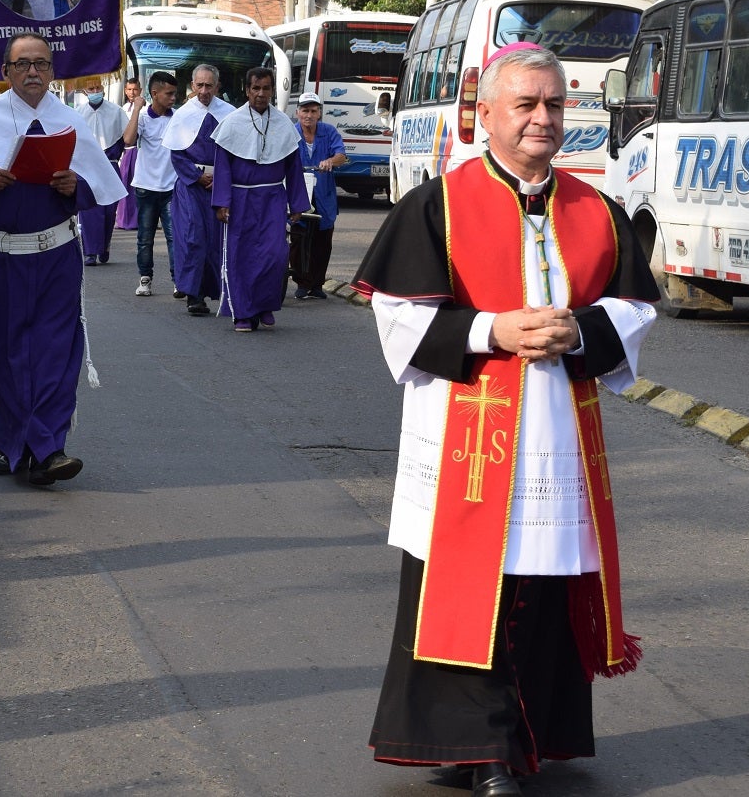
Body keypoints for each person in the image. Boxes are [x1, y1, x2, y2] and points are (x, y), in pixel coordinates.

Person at [353, 44, 659, 797]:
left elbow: (635, 306)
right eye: (525, 104)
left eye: (554, 104)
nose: (542, 119)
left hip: (556, 436)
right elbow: (398, 317)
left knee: (542, 590)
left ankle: (532, 737)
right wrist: (496, 331)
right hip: (468, 437)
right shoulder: (437, 205)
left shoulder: (595, 210)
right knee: (471, 589)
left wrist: (580, 330)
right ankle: (482, 751)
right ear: (483, 113)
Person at [0, 31, 125, 485]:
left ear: (53, 71)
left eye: (41, 63)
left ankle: (49, 447)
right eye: (23, 64)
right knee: (4, 355)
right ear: (7, 72)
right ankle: (14, 445)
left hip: (56, 256)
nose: (33, 72)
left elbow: (102, 186)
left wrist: (74, 186)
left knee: (58, 352)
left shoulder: (70, 121)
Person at [210, 66, 308, 332]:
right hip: (240, 198)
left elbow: (293, 167)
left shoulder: (284, 124)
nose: (261, 94)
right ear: (247, 90)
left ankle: (264, 306)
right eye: (256, 88)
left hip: (273, 197)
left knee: (274, 255)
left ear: (272, 91)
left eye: (266, 88)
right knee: (241, 256)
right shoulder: (231, 123)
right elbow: (222, 168)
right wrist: (222, 202)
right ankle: (243, 313)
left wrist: (297, 203)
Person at [165, 64, 233, 316]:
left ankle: (213, 290)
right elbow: (177, 154)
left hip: (220, 186)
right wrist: (197, 177)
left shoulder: (229, 113)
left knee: (216, 242)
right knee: (193, 238)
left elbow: (235, 152)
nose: (204, 90)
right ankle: (193, 294)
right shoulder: (183, 114)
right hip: (191, 187)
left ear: (217, 86)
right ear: (193, 86)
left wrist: (223, 178)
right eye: (200, 85)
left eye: (209, 85)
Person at [122, 70, 178, 297]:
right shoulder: (143, 117)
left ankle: (178, 280)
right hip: (146, 187)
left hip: (172, 188)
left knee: (175, 237)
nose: (173, 98)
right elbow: (128, 140)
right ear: (155, 94)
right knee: (145, 238)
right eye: (169, 93)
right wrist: (136, 108)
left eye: (175, 94)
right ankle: (145, 279)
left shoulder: (177, 118)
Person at [290, 92, 347, 300]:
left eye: (313, 111)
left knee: (323, 241)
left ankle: (317, 284)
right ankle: (301, 282)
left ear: (319, 113)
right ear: (297, 113)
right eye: (305, 110)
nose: (309, 115)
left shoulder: (329, 132)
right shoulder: (290, 132)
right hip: (299, 193)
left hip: (324, 194)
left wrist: (331, 161)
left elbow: (341, 155)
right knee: (299, 239)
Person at [77, 81, 126, 266]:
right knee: (89, 210)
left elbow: (126, 136)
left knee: (109, 211)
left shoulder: (116, 111)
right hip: (87, 166)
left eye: (98, 88)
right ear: (84, 90)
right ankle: (89, 251)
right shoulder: (77, 113)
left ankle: (104, 245)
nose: (95, 92)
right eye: (91, 89)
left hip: (110, 164)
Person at [115, 77, 142, 230]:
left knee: (135, 188)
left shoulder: (145, 109)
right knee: (124, 185)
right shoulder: (122, 108)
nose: (132, 92)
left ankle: (135, 220)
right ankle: (123, 220)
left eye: (135, 89)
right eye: (129, 89)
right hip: (124, 152)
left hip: (137, 151)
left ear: (140, 90)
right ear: (125, 91)